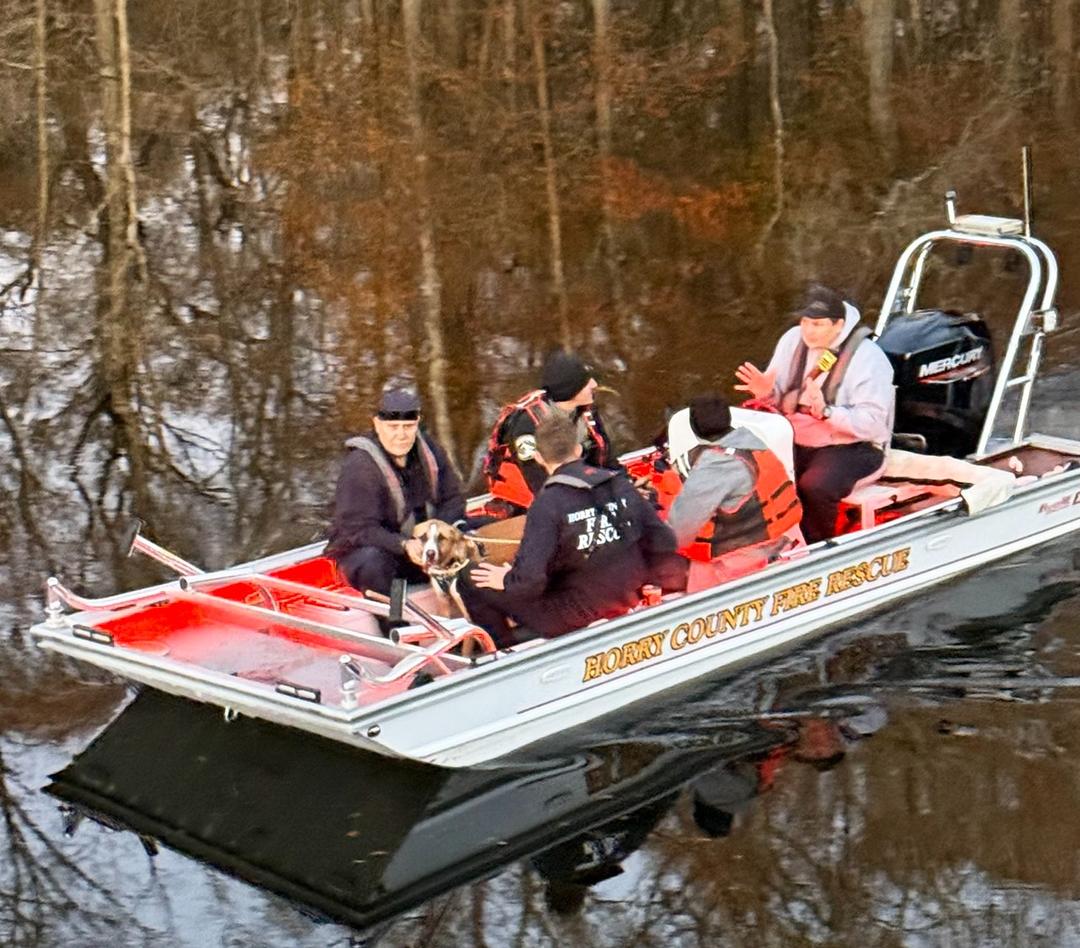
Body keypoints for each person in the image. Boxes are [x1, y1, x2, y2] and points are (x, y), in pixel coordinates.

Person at [462, 412, 683, 647]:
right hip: (630, 589)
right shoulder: (619, 483)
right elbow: (665, 541)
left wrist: (505, 580)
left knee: (468, 579)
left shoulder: (547, 504)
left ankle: (506, 655)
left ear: (538, 457)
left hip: (577, 611)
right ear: (578, 450)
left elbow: (528, 583)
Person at [734, 286, 895, 543]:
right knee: (747, 470)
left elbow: (873, 426)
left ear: (838, 325)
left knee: (814, 486)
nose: (808, 330)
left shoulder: (869, 359)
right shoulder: (792, 340)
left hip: (852, 445)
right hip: (794, 437)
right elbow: (779, 401)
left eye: (818, 324)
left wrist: (827, 412)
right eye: (805, 322)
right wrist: (766, 393)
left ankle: (818, 546)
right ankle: (758, 542)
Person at [325, 385, 465, 598]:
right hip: (384, 551)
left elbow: (453, 498)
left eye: (408, 426)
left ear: (417, 423)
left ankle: (476, 611)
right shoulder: (360, 467)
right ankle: (395, 623)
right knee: (373, 563)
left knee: (476, 536)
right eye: (393, 427)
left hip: (428, 545)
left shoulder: (431, 451)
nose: (401, 435)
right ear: (377, 425)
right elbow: (358, 530)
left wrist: (438, 534)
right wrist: (404, 545)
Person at [666, 394, 803, 592]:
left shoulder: (715, 466)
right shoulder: (754, 443)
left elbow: (679, 531)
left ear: (694, 429)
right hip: (783, 540)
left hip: (738, 560)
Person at [482, 350, 615, 515]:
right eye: (587, 382)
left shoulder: (586, 409)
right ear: (571, 390)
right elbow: (538, 482)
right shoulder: (525, 428)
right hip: (528, 502)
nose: (595, 385)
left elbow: (606, 456)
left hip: (578, 480)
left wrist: (624, 485)